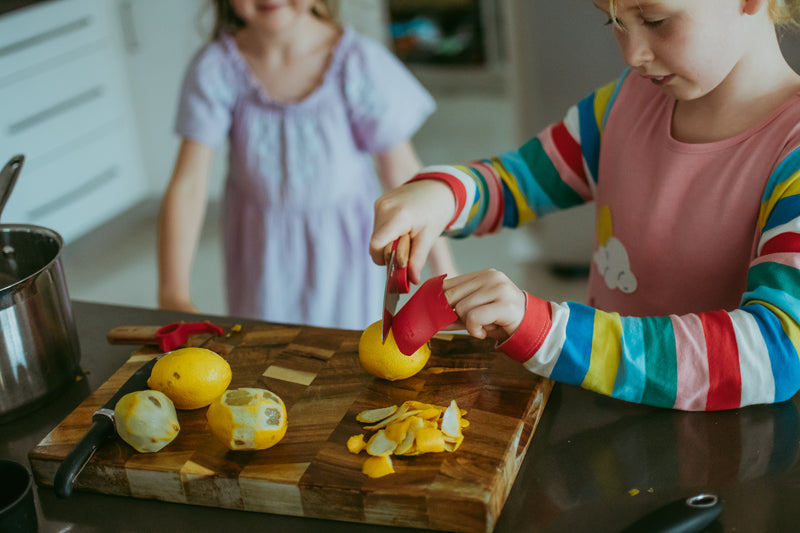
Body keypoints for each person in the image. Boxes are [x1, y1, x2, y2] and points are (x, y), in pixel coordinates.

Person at [369, 0, 800, 411]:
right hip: (601, 410)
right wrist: (439, 196)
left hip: (724, 451)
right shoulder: (622, 105)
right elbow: (517, 180)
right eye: (613, 21)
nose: (632, 54)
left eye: (654, 19)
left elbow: (776, 351)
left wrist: (553, 333)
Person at [158, 0, 456, 329]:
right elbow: (188, 187)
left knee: (348, 349)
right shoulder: (216, 68)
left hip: (345, 252)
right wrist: (173, 292)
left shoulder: (357, 62)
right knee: (265, 348)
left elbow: (406, 178)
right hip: (262, 254)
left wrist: (445, 275)